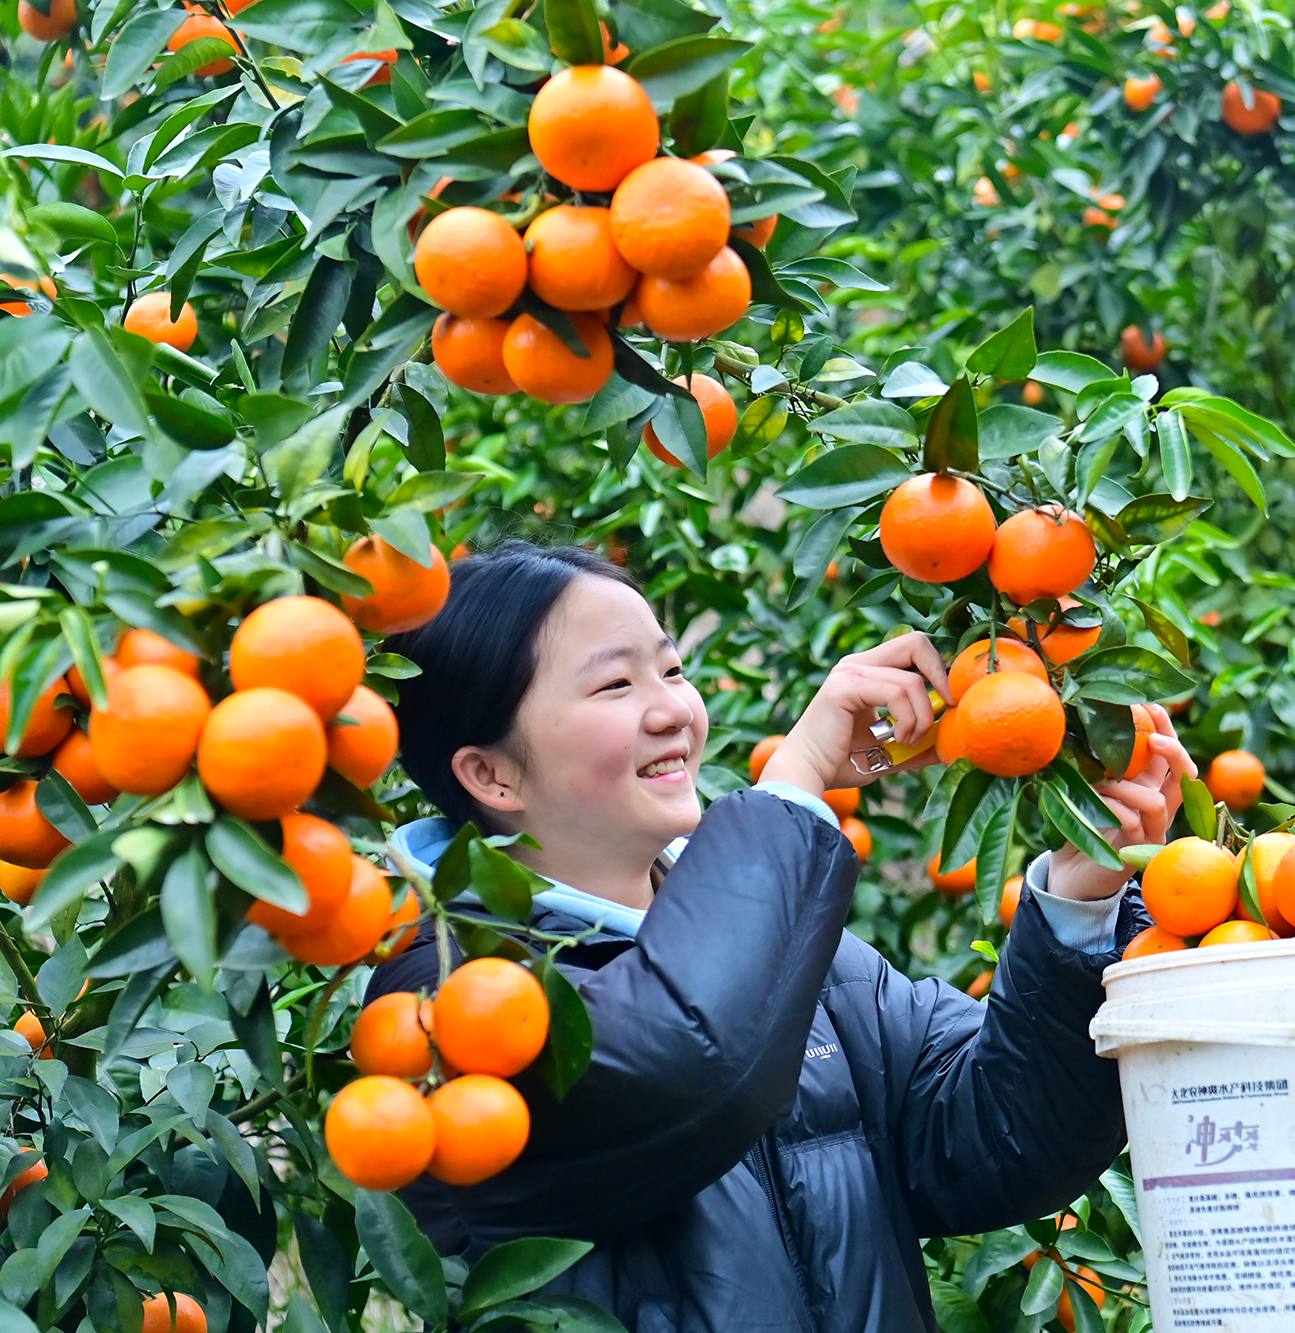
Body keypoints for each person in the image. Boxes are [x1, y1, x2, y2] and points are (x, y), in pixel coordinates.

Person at [367, 540, 1194, 1331]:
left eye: (672, 668)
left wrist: (1081, 897)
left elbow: (994, 1139)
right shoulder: (448, 997)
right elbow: (688, 1056)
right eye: (615, 685)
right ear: (492, 773)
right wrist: (793, 784)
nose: (673, 710)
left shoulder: (798, 951)